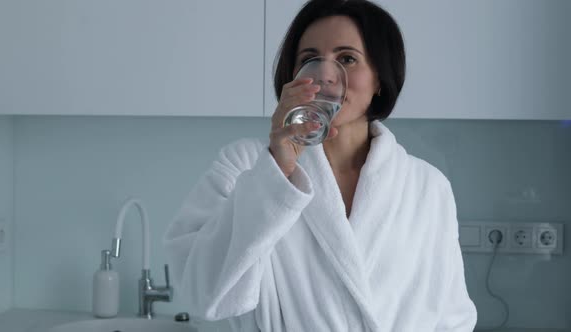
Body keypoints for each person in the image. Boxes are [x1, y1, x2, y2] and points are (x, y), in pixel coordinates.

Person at [163, 0, 477, 331]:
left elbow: (451, 316)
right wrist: (275, 171)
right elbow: (201, 294)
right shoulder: (245, 165)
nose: (326, 74)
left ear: (379, 78)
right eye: (310, 60)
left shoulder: (426, 186)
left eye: (347, 59)